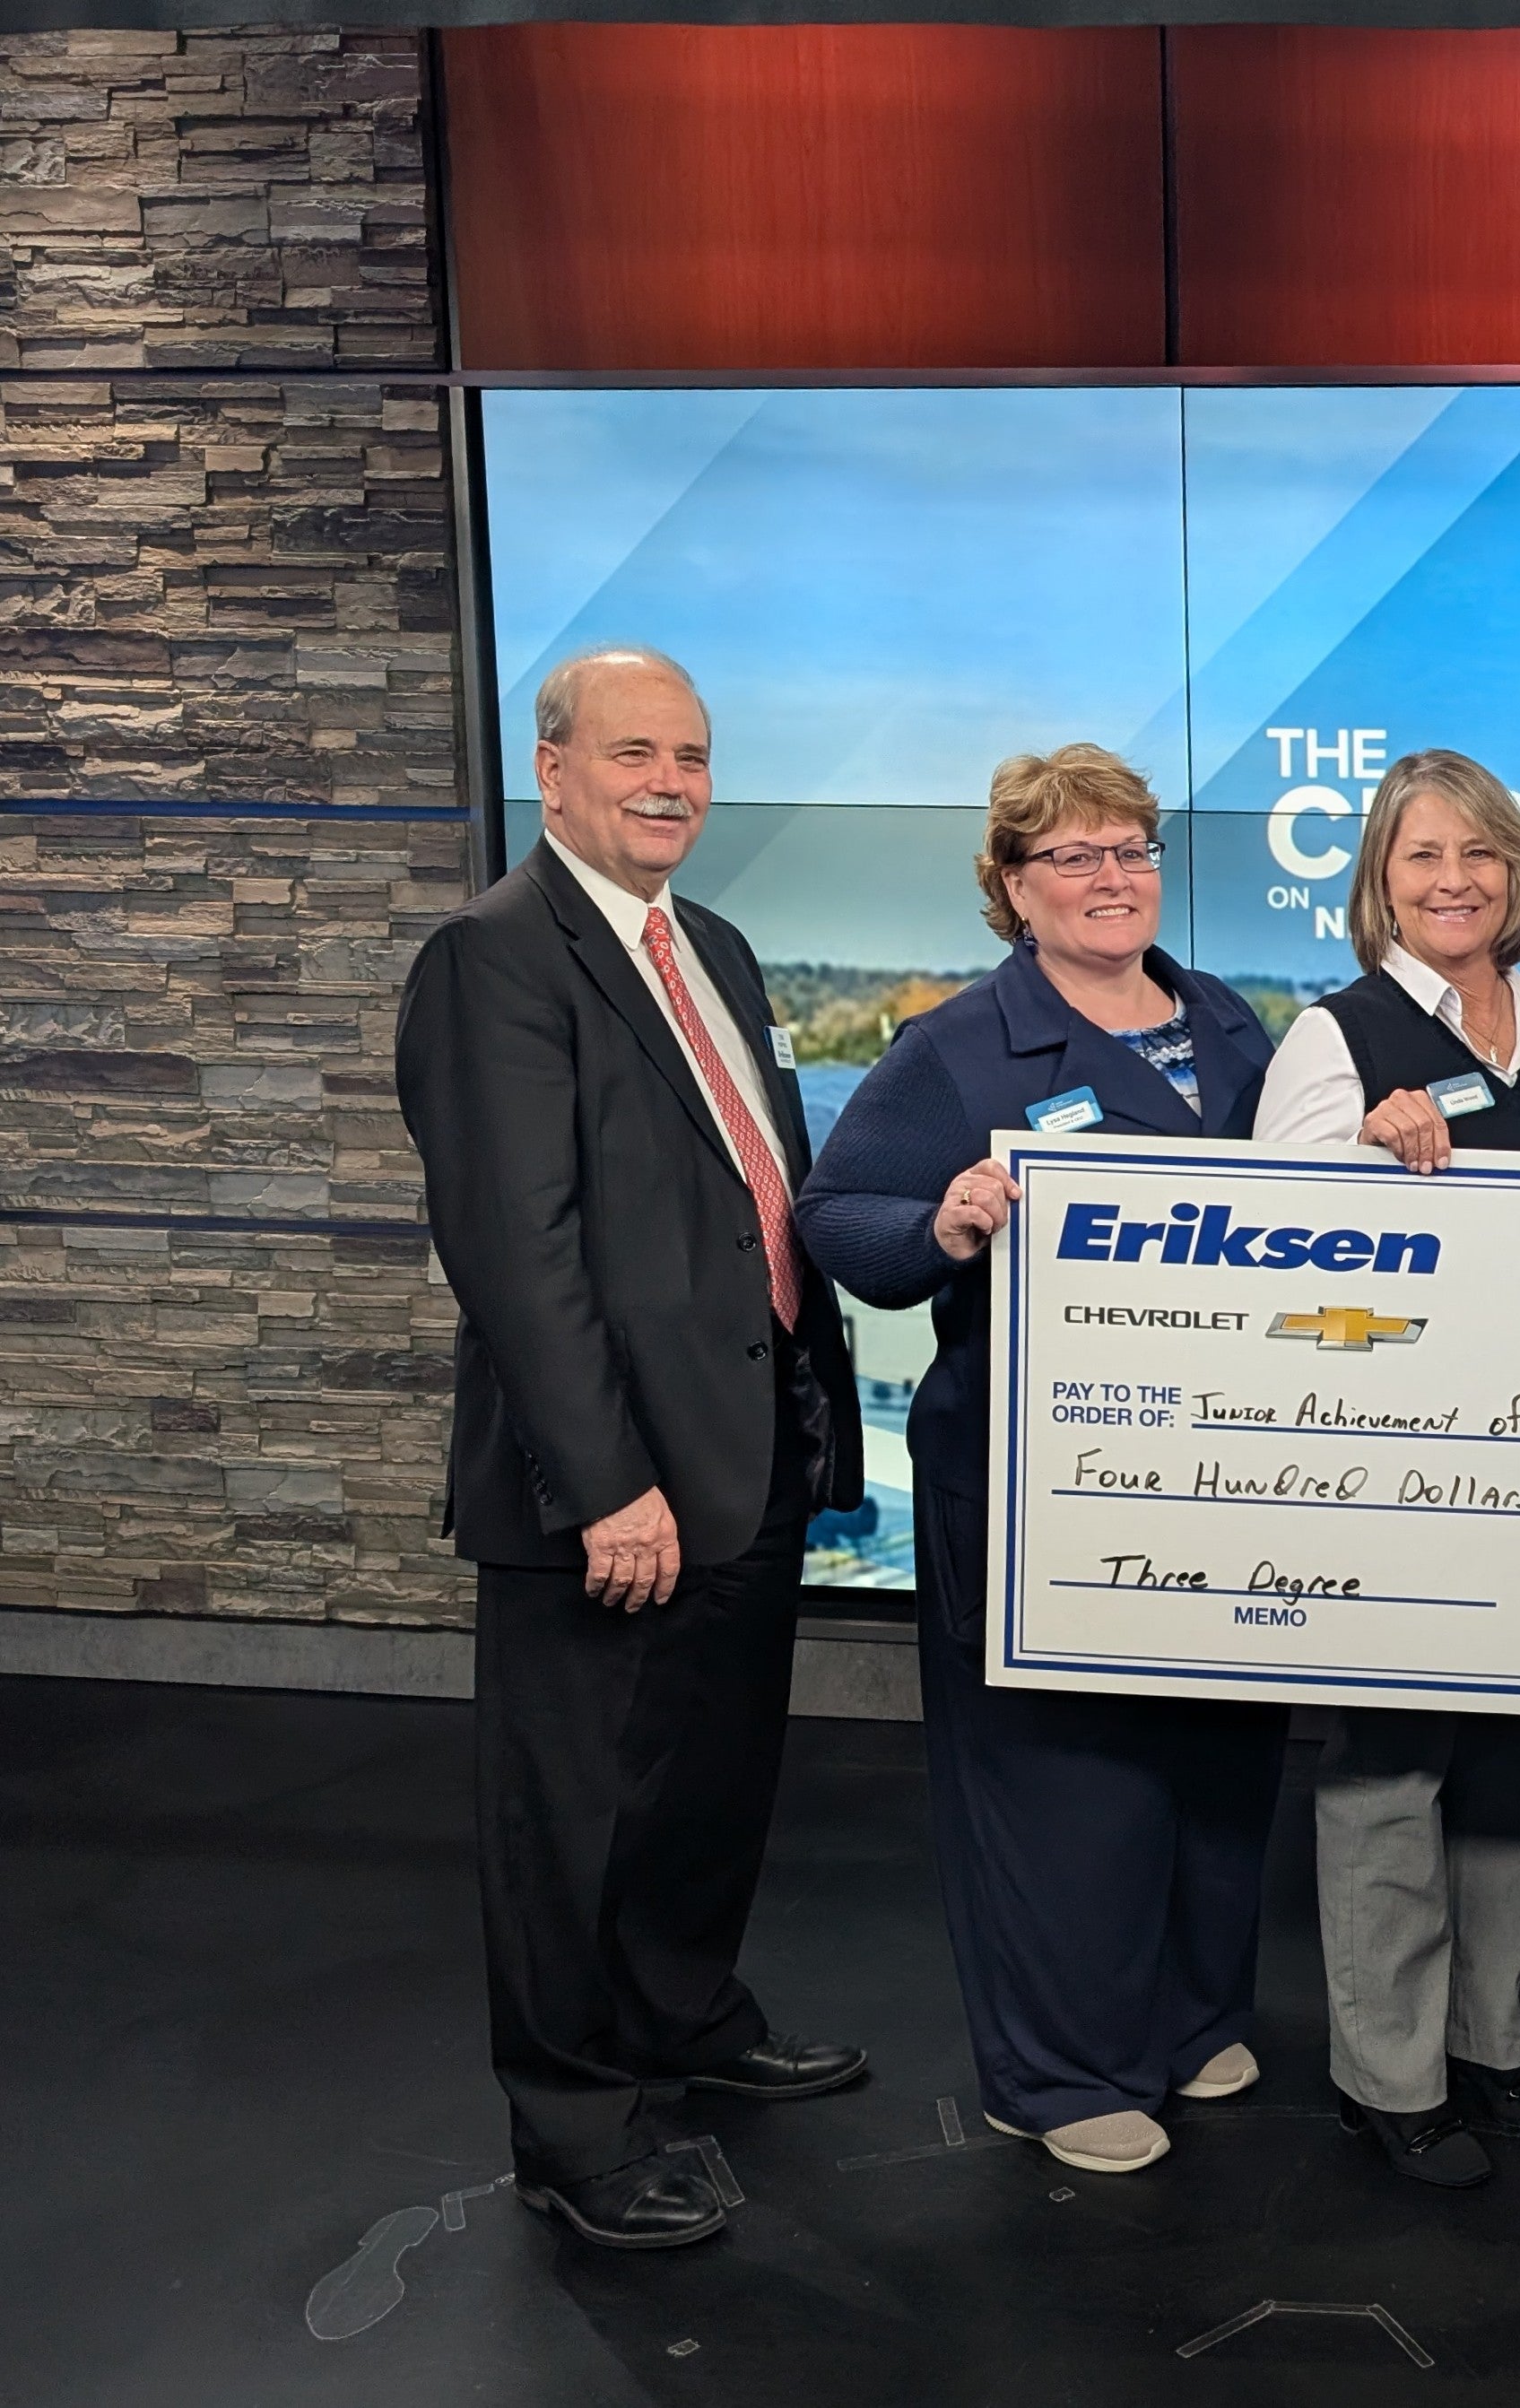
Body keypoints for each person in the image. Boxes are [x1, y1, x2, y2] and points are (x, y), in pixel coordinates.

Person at [395, 646, 868, 2252]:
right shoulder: (494, 957)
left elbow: (744, 1203)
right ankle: (575, 2124)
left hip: (748, 1462)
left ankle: (684, 2019)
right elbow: (515, 1252)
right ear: (556, 768)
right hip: (608, 1489)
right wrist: (604, 1481)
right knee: (573, 1814)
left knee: (704, 1787)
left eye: (691, 752)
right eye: (633, 752)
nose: (669, 779)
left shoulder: (713, 948)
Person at [795, 744, 1286, 2182]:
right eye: (1072, 856)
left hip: (1218, 1466)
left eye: (1130, 848)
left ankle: (1192, 2016)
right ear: (1012, 886)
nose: (1110, 877)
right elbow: (836, 1215)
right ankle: (1057, 2071)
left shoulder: (1232, 1027)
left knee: (1213, 1752)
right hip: (1030, 1479)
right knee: (1066, 1779)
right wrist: (940, 1227)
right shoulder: (955, 1048)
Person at [1252, 750, 1520, 2188]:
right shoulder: (1334, 1039)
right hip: (1386, 1465)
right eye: (1420, 855)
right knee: (1393, 1759)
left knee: (1519, 1757)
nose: (1452, 877)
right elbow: (1267, 1262)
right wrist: (1354, 1151)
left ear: (1516, 872)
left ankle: (1485, 2040)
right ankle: (1388, 2072)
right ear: (1377, 881)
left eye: (1477, 852)